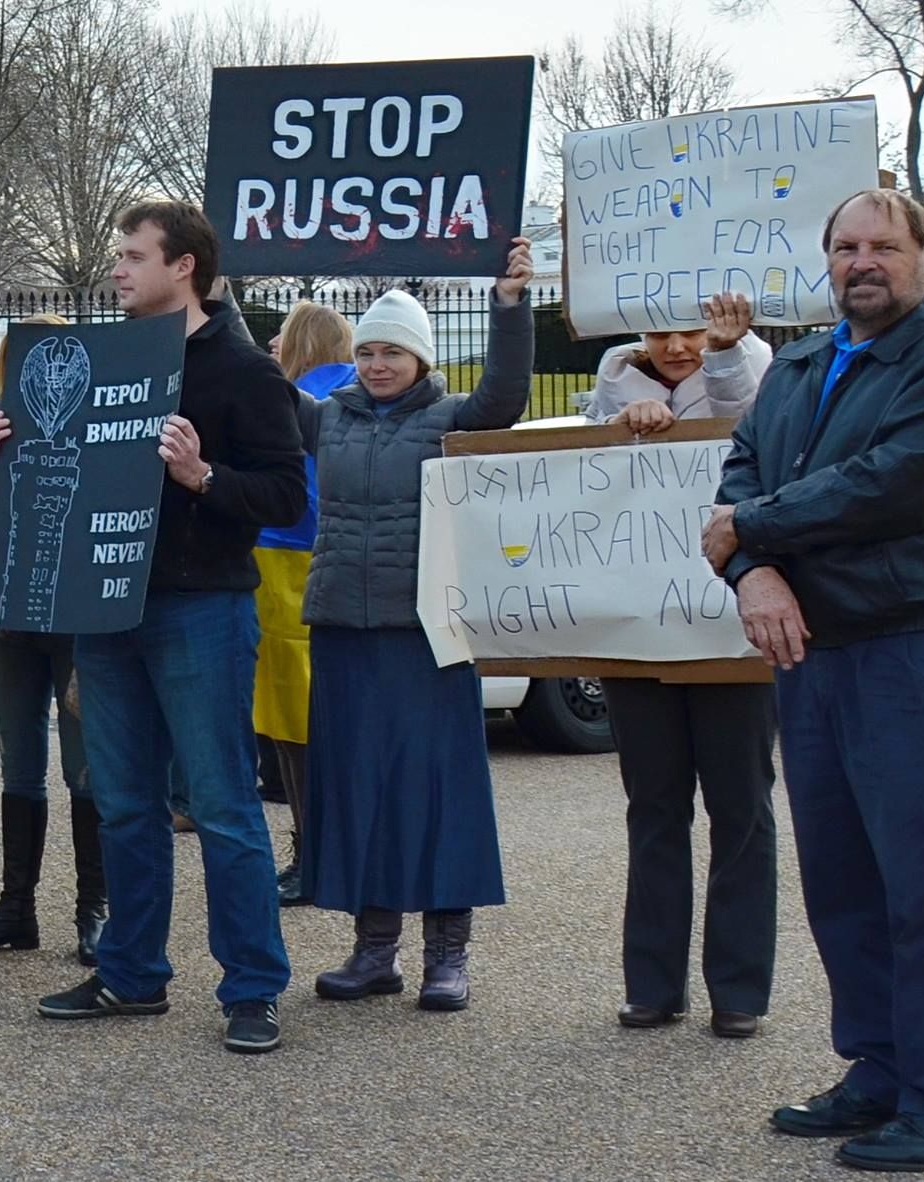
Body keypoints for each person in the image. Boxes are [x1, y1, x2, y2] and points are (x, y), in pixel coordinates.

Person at [10, 202, 304, 1055]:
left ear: (186, 267)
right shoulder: (104, 361)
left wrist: (203, 475)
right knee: (123, 803)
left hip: (201, 607)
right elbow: (65, 464)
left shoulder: (245, 372)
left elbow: (287, 495)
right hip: (104, 607)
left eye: (134, 256)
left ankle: (252, 988)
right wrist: (15, 446)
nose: (118, 270)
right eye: (120, 256)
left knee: (221, 805)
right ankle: (132, 974)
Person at [716, 188, 924, 1173]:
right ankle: (878, 1067)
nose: (864, 262)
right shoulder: (804, 364)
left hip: (914, 652)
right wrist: (753, 568)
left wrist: (754, 533)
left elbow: (896, 482)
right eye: (846, 246)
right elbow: (739, 478)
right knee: (844, 880)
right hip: (812, 658)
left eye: (884, 246)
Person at [302, 245, 536, 1013]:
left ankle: (447, 955)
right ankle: (375, 952)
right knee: (361, 788)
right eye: (365, 350)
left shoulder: (449, 417)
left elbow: (504, 395)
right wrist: (215, 287)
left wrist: (508, 305)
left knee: (438, 791)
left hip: (428, 632)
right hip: (342, 625)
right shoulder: (325, 418)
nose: (375, 363)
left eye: (392, 351)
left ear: (420, 357)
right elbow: (246, 385)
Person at [589, 292, 776, 1038]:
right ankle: (653, 984)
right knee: (655, 807)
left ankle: (739, 989)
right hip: (643, 628)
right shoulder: (614, 375)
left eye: (690, 329)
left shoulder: (756, 365)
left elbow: (751, 424)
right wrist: (616, 427)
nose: (675, 346)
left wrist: (725, 355)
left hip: (729, 626)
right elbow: (591, 478)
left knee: (741, 807)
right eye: (660, 329)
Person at [0, 313, 103, 963]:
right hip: (15, 618)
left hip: (75, 618)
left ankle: (93, 907)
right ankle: (16, 906)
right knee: (19, 766)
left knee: (86, 769)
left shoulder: (97, 431)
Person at [257, 300, 354, 908]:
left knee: (293, 725)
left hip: (284, 560)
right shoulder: (354, 396)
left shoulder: (298, 400)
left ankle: (311, 850)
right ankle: (329, 848)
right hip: (334, 562)